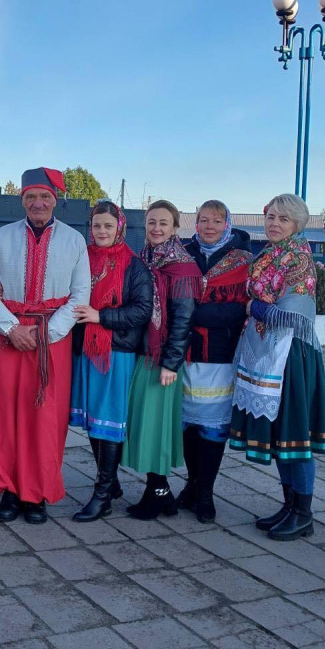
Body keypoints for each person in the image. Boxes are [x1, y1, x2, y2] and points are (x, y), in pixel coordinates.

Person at [0, 167, 90, 525]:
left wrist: (48, 333)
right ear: (22, 200)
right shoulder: (2, 237)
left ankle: (36, 492)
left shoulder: (74, 241)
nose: (38, 203)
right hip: (8, 339)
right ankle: (9, 491)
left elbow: (80, 295)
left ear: (56, 200)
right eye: (30, 197)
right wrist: (11, 328)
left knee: (44, 419)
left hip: (49, 341)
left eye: (45, 197)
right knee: (5, 415)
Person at [230, 193, 325, 540]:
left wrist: (252, 308)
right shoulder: (271, 254)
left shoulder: (298, 259)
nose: (274, 223)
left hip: (291, 355)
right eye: (271, 217)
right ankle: (289, 506)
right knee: (279, 435)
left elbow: (290, 314)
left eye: (283, 219)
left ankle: (303, 513)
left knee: (294, 435)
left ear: (297, 225)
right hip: (267, 351)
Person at [70, 201, 153, 521]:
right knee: (94, 419)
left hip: (115, 353)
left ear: (119, 227)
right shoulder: (82, 259)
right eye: (96, 226)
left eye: (107, 225)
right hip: (85, 351)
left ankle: (102, 494)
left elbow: (141, 310)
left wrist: (100, 316)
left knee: (108, 421)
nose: (101, 231)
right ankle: (112, 482)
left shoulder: (133, 265)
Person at [122, 200, 202, 519]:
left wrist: (171, 362)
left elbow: (183, 319)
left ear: (174, 228)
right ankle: (161, 492)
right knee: (144, 423)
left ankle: (158, 493)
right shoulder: (143, 259)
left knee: (154, 426)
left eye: (163, 223)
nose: (156, 228)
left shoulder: (181, 266)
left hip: (162, 359)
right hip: (142, 354)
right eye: (152, 222)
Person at [178, 201, 253, 522]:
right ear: (195, 223)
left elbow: (244, 308)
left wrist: (196, 312)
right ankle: (191, 484)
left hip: (221, 356)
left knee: (212, 427)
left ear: (227, 224)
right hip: (183, 354)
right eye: (203, 220)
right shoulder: (181, 255)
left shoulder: (246, 262)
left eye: (217, 221)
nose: (209, 226)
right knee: (187, 426)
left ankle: (206, 493)